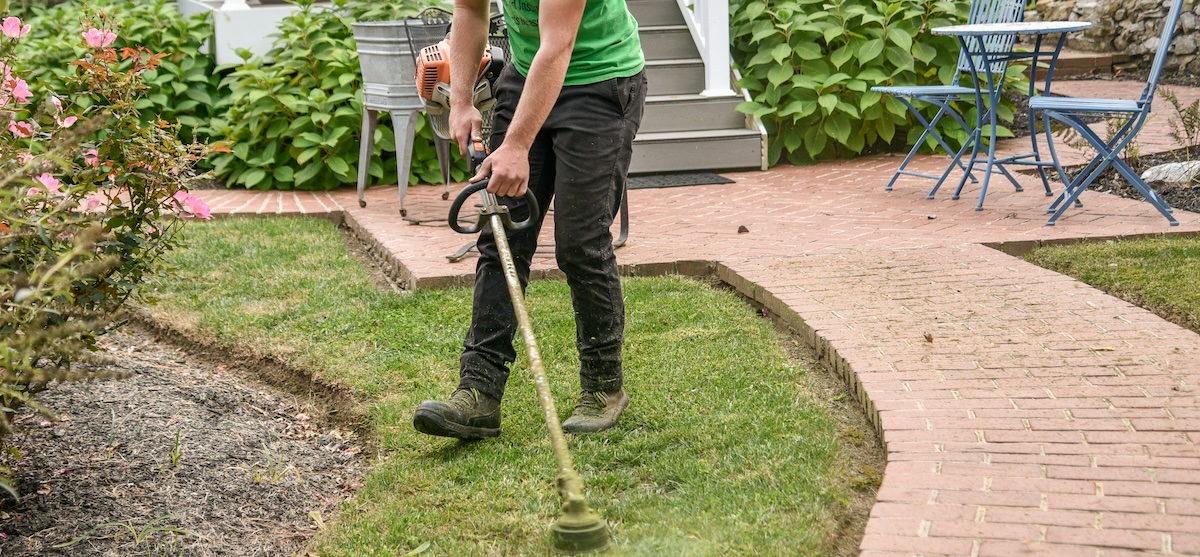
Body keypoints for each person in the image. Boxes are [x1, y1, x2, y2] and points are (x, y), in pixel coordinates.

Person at [412, 0, 647, 439]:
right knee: (501, 233)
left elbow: (558, 45)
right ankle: (478, 393)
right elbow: (469, 11)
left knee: (580, 243)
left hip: (600, 81)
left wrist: (517, 145)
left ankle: (603, 388)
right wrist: (461, 102)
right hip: (525, 78)